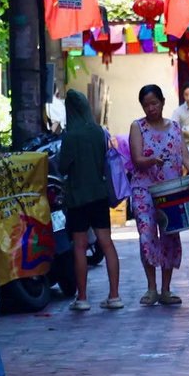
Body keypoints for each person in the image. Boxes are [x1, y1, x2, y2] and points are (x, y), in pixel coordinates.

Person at [128, 84, 189, 306]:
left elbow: (186, 158)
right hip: (144, 191)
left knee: (170, 236)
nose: (151, 108)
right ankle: (151, 288)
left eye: (154, 103)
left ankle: (166, 289)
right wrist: (152, 160)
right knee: (147, 236)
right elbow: (137, 159)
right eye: (146, 105)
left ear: (162, 102)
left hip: (171, 191)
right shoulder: (137, 127)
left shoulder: (175, 128)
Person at [56, 89, 123, 311]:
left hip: (77, 197)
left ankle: (82, 298)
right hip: (99, 195)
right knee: (107, 243)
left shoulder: (70, 136)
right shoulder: (98, 132)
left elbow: (63, 166)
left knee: (79, 246)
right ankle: (114, 296)